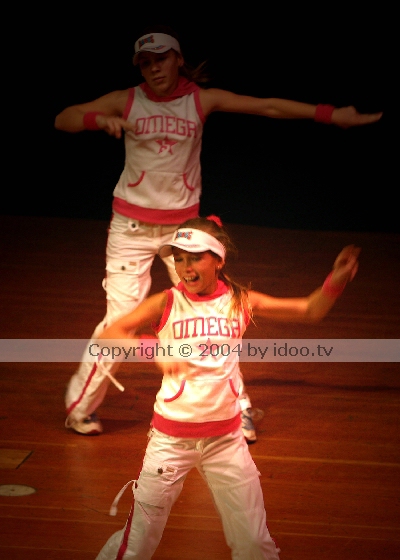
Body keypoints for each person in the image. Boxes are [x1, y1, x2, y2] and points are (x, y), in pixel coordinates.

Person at [54, 24, 380, 443]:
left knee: (219, 311)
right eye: (145, 63)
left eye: (161, 59)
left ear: (178, 59)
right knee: (119, 322)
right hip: (129, 229)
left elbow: (267, 106)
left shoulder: (199, 99)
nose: (154, 69)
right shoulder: (127, 99)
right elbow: (63, 118)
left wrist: (331, 115)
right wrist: (99, 120)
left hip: (182, 230)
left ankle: (237, 410)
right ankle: (80, 408)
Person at [93, 215, 360, 560]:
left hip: (226, 441)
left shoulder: (240, 300)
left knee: (254, 544)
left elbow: (310, 309)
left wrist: (337, 278)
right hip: (170, 442)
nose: (185, 267)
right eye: (179, 259)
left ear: (218, 260)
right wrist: (154, 350)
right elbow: (109, 335)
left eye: (195, 258)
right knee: (137, 545)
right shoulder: (166, 302)